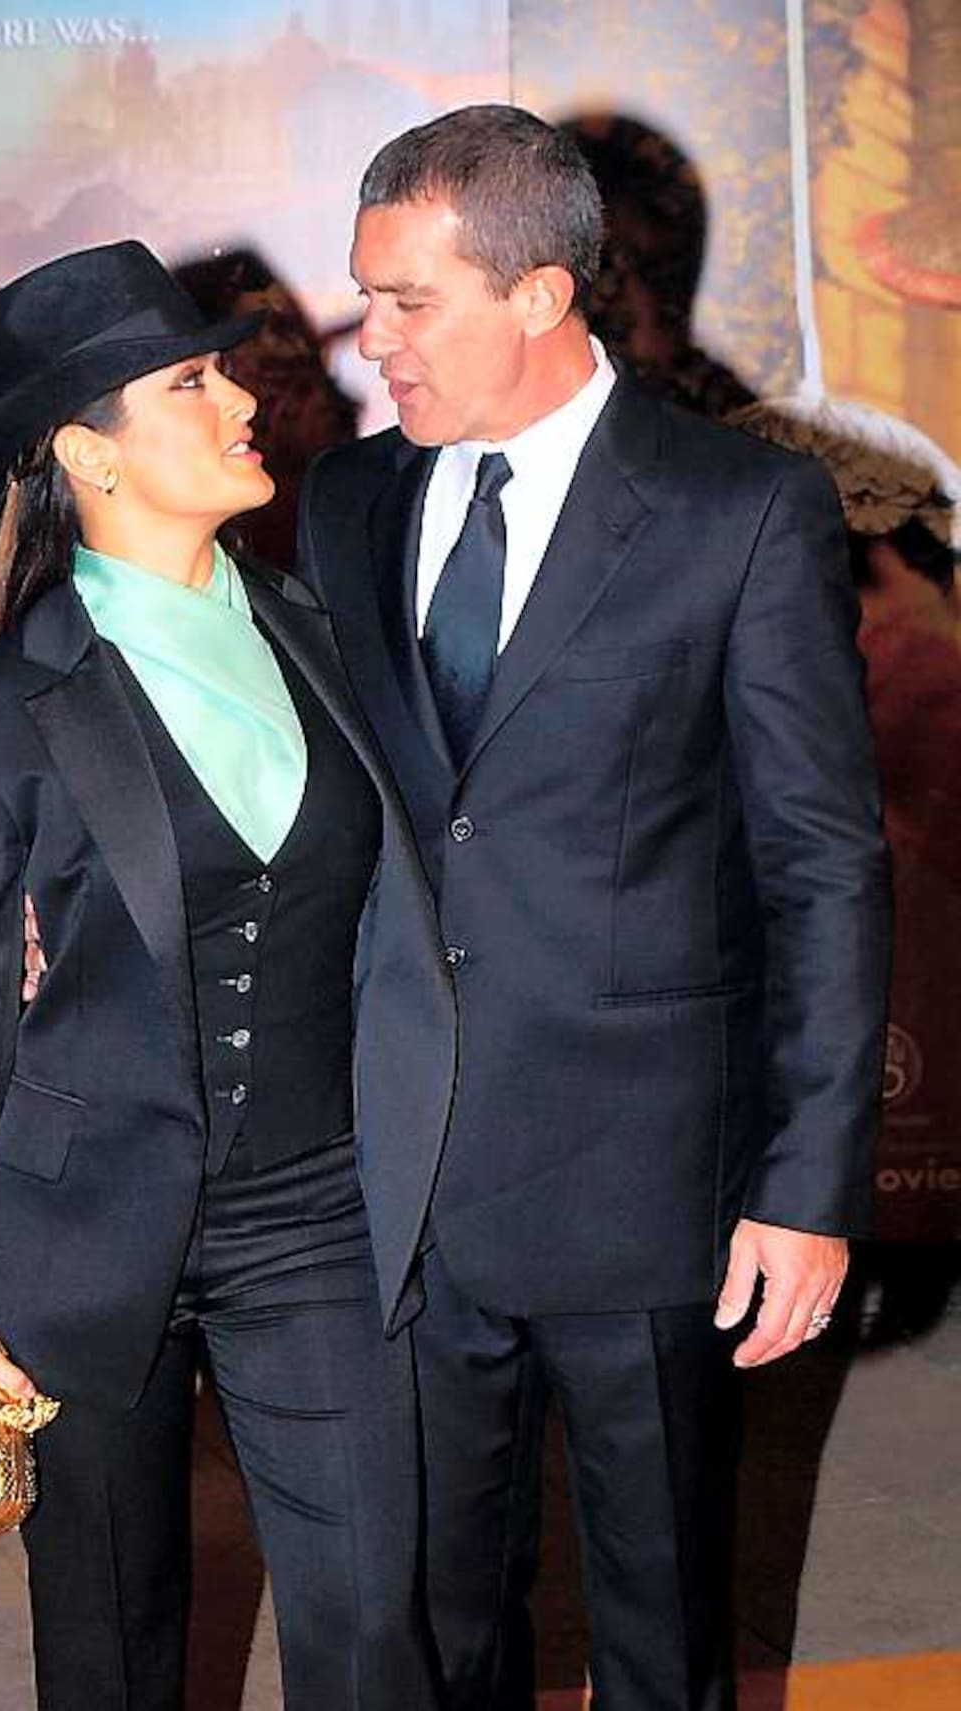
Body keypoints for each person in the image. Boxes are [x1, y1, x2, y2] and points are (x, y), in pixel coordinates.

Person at [298, 105, 891, 1710]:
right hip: (401, 1178)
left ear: (543, 294)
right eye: (367, 296)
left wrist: (809, 1184)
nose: (372, 343)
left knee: (658, 1620)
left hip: (649, 1188)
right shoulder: (345, 507)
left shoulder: (738, 509)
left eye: (409, 302)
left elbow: (824, 862)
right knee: (435, 1616)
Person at [0, 240, 450, 1711]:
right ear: (90, 450)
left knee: (374, 1615)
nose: (239, 399)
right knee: (111, 1637)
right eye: (190, 381)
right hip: (78, 1226)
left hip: (317, 1210)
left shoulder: (322, 632)